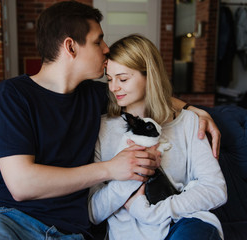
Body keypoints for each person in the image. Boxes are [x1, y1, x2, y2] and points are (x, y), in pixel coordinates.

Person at [0, 1, 221, 239]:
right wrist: (111, 169)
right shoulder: (13, 95)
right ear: (70, 47)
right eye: (98, 41)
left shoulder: (95, 96)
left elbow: (144, 91)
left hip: (69, 231)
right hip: (8, 221)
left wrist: (194, 110)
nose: (107, 49)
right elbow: (21, 184)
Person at [89, 34, 227, 240]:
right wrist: (132, 173)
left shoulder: (188, 122)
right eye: (109, 79)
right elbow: (94, 211)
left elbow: (216, 189)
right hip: (129, 233)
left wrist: (152, 212)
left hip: (184, 224)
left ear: (149, 76)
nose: (113, 87)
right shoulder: (103, 128)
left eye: (123, 79)